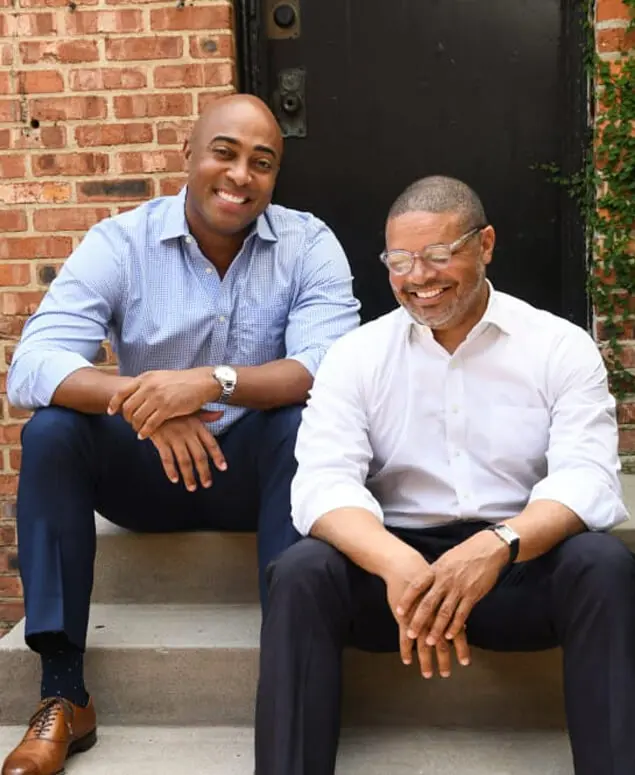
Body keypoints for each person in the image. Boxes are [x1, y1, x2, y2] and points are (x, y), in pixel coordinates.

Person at [2, 94, 360, 775]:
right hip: (148, 473)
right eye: (224, 153)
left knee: (302, 421)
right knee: (51, 430)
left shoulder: (307, 242)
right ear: (187, 157)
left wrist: (211, 381)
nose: (240, 175)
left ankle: (292, 682)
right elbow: (34, 363)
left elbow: (329, 365)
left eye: (262, 162)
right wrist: (147, 403)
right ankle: (61, 693)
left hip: (256, 473)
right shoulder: (121, 241)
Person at [255, 175, 634, 775]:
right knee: (301, 570)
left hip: (516, 566)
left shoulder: (559, 346)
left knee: (603, 565)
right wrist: (395, 562)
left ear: (485, 244)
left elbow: (588, 479)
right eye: (399, 260)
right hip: (396, 581)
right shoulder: (357, 355)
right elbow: (323, 485)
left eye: (438, 255)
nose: (419, 277)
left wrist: (499, 545)